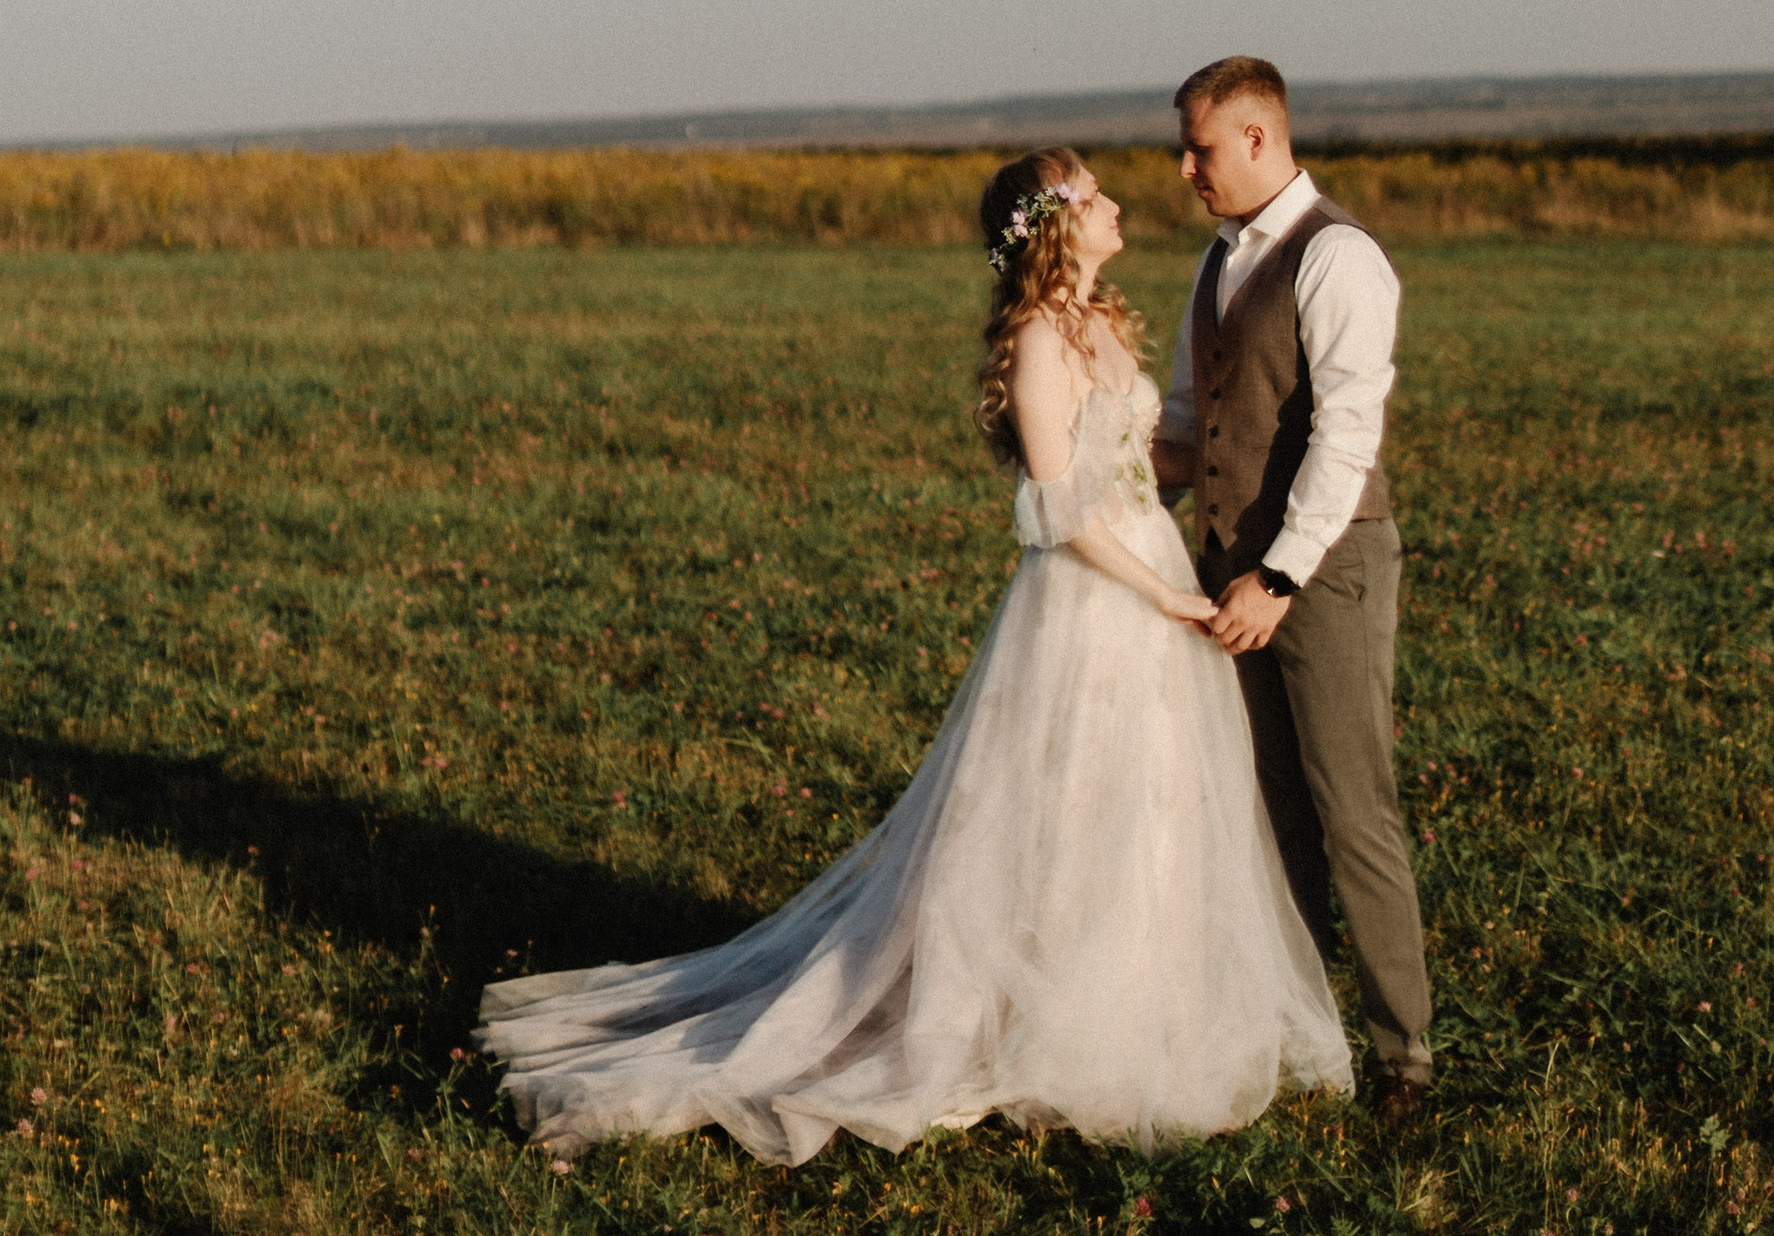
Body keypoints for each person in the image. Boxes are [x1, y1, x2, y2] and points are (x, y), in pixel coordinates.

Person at [473, 148, 1350, 1162]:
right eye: (1096, 197)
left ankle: (1132, 1010)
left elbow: (1126, 454)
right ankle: (1031, 1020)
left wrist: (1228, 462)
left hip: (1148, 568)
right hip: (1094, 595)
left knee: (1144, 800)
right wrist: (1160, 592)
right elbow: (1056, 510)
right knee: (1066, 802)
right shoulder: (1034, 338)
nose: (1118, 206)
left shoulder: (1101, 321)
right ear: (1056, 226)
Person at [1152, 55, 1435, 1120]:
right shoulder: (1215, 263)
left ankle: (1401, 1063)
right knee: (1271, 812)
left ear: (1261, 138)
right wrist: (1086, 462)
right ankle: (1302, 1033)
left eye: (1201, 147)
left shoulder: (1337, 257)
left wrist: (1275, 573)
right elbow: (1192, 427)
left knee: (1351, 807)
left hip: (1321, 569)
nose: (1186, 168)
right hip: (1233, 574)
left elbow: (1345, 430)